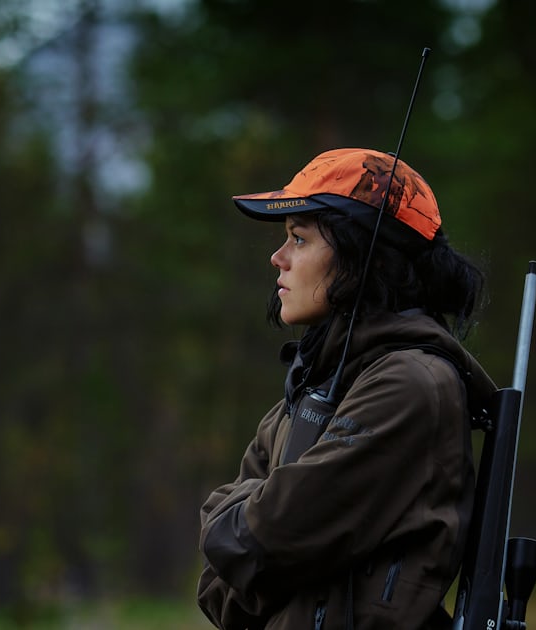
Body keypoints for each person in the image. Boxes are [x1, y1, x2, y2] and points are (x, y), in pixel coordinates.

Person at [196, 148, 498, 629]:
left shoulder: (410, 385)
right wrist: (249, 539)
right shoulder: (307, 390)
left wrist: (243, 531)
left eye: (299, 239)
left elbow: (260, 538)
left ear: (364, 257)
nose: (278, 259)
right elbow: (217, 584)